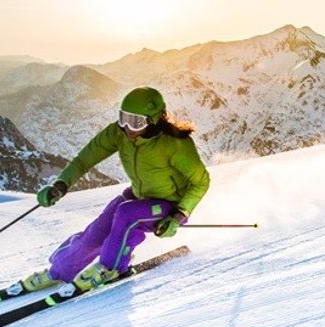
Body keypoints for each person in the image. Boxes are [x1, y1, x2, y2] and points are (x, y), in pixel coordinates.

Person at [20, 86, 210, 292]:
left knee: (127, 213)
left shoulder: (175, 144)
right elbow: (84, 160)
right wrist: (60, 185)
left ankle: (110, 267)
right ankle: (59, 271)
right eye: (123, 118)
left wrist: (179, 215)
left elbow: (201, 181)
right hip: (139, 196)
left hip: (169, 206)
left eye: (135, 121)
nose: (127, 127)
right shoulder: (117, 133)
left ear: (154, 119)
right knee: (97, 231)